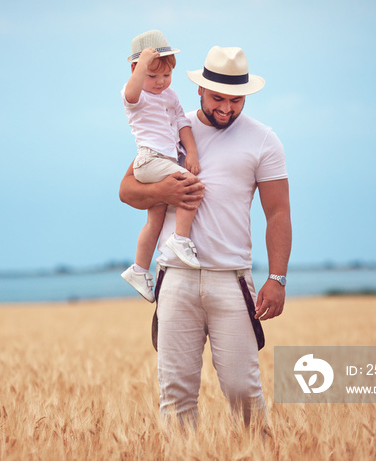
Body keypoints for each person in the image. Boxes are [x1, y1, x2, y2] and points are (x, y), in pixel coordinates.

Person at [119, 46, 292, 428]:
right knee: (176, 394)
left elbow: (278, 212)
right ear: (199, 90)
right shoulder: (168, 124)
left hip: (232, 280)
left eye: (236, 100)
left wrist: (277, 277)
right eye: (218, 98)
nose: (226, 108)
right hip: (175, 278)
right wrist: (166, 194)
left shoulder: (264, 141)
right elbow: (127, 190)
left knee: (242, 390)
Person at [120, 30, 203, 303]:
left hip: (165, 160)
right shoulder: (137, 97)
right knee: (191, 185)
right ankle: (180, 239)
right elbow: (131, 93)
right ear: (136, 70)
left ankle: (139, 269)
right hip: (149, 160)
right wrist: (142, 64)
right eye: (151, 76)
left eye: (166, 76)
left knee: (154, 220)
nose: (159, 83)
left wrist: (191, 151)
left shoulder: (170, 96)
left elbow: (182, 124)